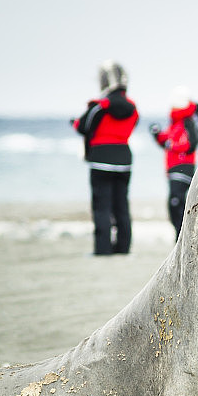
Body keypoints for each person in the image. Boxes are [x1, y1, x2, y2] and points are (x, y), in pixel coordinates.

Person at [72, 60, 138, 255]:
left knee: (102, 207)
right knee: (122, 207)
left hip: (101, 160)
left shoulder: (100, 106)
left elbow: (82, 126)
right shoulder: (133, 108)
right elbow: (131, 126)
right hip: (124, 160)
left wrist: (75, 122)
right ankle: (123, 249)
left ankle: (103, 250)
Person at [150, 85, 198, 241]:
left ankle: (183, 236)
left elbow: (192, 143)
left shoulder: (188, 119)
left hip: (184, 166)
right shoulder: (175, 121)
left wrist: (172, 146)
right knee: (175, 202)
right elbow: (166, 140)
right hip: (173, 167)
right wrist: (156, 134)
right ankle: (180, 236)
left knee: (176, 201)